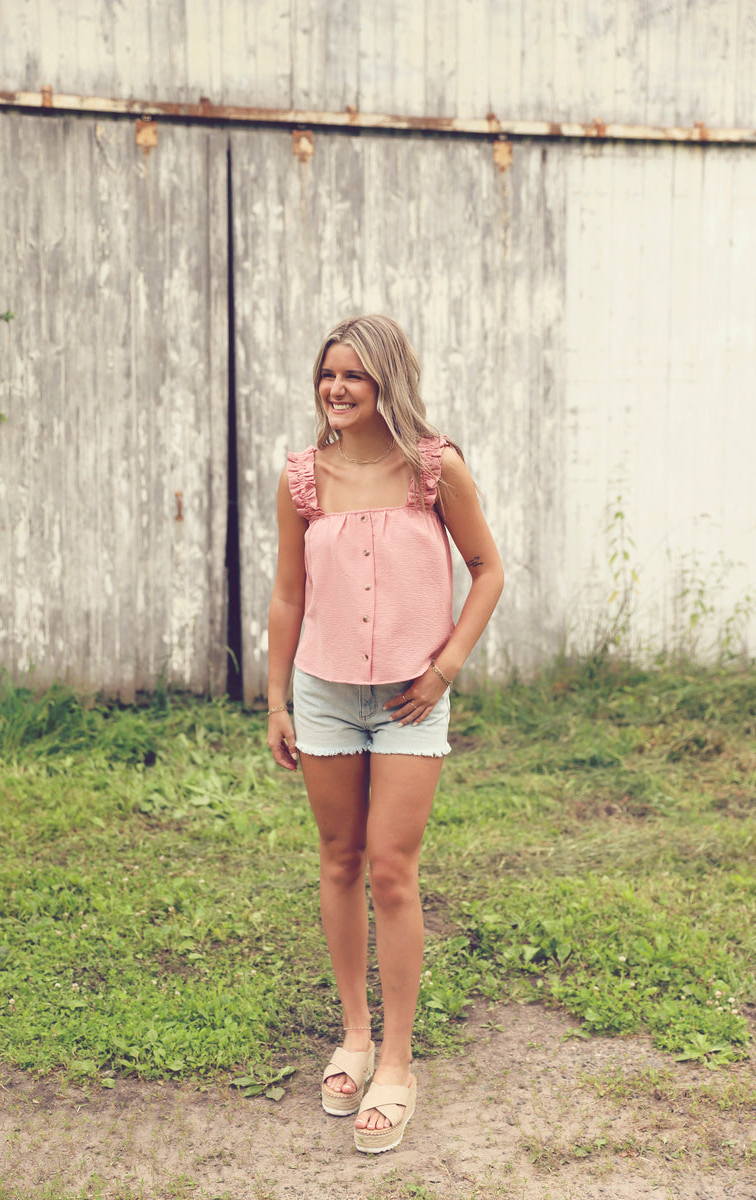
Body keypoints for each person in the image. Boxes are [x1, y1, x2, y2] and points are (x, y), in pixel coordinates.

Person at [266, 314, 503, 1154]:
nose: (336, 388)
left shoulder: (434, 469)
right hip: (324, 697)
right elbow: (289, 596)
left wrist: (444, 669)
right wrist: (276, 699)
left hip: (410, 698)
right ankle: (356, 1037)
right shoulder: (302, 477)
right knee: (338, 860)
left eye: (354, 376)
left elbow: (488, 569)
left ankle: (398, 1063)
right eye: (328, 373)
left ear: (386, 382)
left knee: (393, 871)